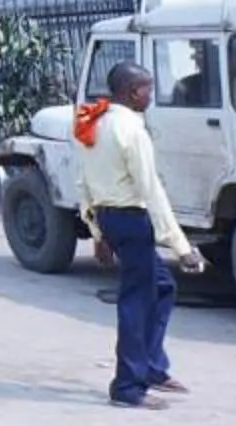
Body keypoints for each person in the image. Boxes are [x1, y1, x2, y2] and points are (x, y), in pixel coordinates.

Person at [74, 61, 204, 409]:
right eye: (147, 89)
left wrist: (98, 232)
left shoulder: (95, 123)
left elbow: (84, 182)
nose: (151, 95)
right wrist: (181, 247)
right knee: (136, 301)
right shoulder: (131, 130)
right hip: (132, 221)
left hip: (110, 218)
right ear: (132, 93)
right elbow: (151, 190)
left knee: (162, 287)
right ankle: (128, 387)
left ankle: (152, 367)